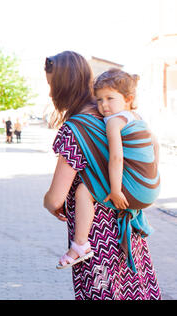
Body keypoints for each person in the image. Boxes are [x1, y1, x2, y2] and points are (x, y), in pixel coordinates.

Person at [43, 51, 161, 299]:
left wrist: (49, 203)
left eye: (51, 85)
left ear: (62, 86)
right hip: (127, 227)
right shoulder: (112, 115)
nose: (51, 93)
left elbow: (55, 199)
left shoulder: (75, 128)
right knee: (134, 291)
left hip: (95, 238)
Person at [57, 68, 158, 269]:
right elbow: (155, 145)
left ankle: (79, 245)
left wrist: (115, 190)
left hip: (135, 189)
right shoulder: (137, 117)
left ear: (128, 98)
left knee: (84, 191)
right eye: (99, 100)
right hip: (151, 186)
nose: (103, 105)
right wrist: (151, 174)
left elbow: (115, 157)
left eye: (110, 98)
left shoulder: (114, 122)